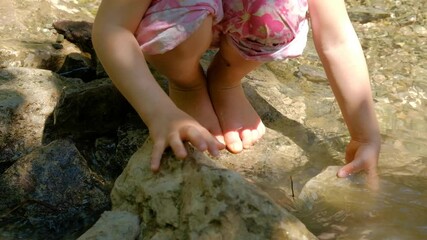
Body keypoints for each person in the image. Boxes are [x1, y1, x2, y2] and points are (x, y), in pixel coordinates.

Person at [92, 0, 381, 178]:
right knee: (182, 29)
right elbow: (112, 27)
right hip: (179, 15)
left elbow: (336, 39)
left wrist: (364, 135)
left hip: (241, 16)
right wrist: (159, 113)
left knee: (280, 10)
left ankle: (226, 79)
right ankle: (187, 82)